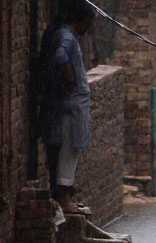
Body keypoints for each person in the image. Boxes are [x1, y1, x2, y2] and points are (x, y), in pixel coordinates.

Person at [37, 0, 95, 216]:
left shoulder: (65, 34)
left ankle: (65, 195)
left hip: (72, 105)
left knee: (70, 150)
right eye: (88, 22)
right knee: (68, 151)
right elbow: (60, 57)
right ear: (80, 20)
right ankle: (64, 198)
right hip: (71, 107)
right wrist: (69, 79)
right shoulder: (67, 36)